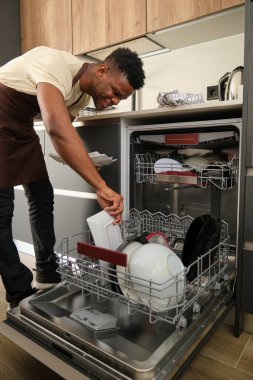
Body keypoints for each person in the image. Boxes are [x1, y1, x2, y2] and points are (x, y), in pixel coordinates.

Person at [0, 46, 145, 308]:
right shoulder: (54, 64)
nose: (114, 101)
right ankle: (19, 291)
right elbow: (56, 126)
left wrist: (88, 166)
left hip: (19, 128)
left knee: (42, 196)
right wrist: (100, 186)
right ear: (101, 70)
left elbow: (63, 141)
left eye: (120, 99)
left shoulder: (81, 97)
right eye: (115, 92)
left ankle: (46, 271)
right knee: (1, 212)